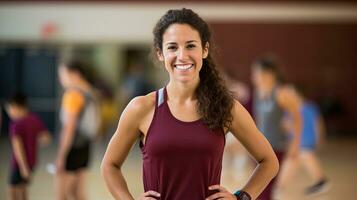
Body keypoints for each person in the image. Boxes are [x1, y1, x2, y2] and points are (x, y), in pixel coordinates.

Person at [101, 8, 279, 200]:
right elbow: (110, 165)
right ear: (160, 54)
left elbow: (269, 162)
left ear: (205, 50)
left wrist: (241, 197)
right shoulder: (141, 108)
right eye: (172, 47)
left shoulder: (225, 107)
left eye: (190, 46)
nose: (182, 55)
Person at [251, 56, 302, 200]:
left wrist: (295, 143)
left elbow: (297, 117)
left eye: (256, 72)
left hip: (277, 147)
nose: (253, 76)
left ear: (269, 74)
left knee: (266, 190)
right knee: (258, 189)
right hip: (260, 147)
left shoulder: (281, 93)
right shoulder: (258, 92)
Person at [56, 59, 99, 200]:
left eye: (63, 75)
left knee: (61, 194)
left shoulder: (73, 95)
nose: (60, 79)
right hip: (85, 146)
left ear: (75, 74)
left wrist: (61, 156)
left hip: (72, 147)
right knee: (78, 193)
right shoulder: (90, 92)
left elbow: (69, 128)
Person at [276, 86, 330, 196]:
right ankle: (279, 187)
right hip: (296, 142)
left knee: (303, 154)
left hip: (307, 140)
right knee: (291, 161)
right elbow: (286, 127)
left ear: (298, 94)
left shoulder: (310, 107)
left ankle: (321, 181)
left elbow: (318, 123)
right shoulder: (288, 110)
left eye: (290, 93)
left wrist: (321, 138)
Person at [5, 93, 51, 200]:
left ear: (16, 107)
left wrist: (23, 167)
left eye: (9, 109)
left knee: (12, 190)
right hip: (32, 162)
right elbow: (46, 138)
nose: (9, 113)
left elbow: (17, 148)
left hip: (19, 164)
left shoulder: (15, 125)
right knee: (23, 188)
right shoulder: (34, 119)